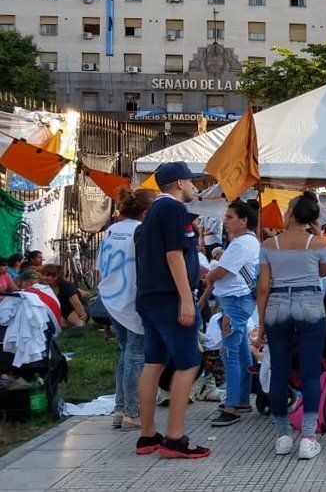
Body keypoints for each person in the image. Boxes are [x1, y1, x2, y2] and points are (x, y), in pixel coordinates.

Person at [133, 161, 209, 458]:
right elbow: (174, 255)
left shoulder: (151, 212)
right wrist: (187, 300)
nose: (194, 187)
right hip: (170, 299)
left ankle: (147, 434)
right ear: (179, 183)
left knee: (154, 363)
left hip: (150, 299)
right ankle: (175, 437)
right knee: (188, 362)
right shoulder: (174, 209)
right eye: (191, 182)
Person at [256, 192, 326, 460]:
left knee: (279, 371)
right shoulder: (319, 242)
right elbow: (323, 272)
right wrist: (317, 234)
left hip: (277, 303)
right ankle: (308, 438)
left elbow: (263, 287)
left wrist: (262, 323)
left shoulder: (268, 244)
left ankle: (282, 436)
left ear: (291, 214)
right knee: (310, 373)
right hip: (309, 302)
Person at [99, 188, 156, 431]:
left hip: (111, 296)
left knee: (125, 353)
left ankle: (120, 409)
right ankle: (133, 412)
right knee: (135, 355)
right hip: (131, 299)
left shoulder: (113, 229)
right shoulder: (140, 231)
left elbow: (99, 264)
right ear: (146, 212)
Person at [205, 200, 261, 427]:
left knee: (229, 353)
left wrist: (208, 274)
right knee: (240, 350)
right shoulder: (246, 242)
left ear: (243, 220)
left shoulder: (242, 244)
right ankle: (243, 399)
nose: (225, 222)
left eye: (229, 217)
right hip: (239, 300)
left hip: (236, 302)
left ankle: (232, 406)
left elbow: (220, 272)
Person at [38, 264, 86, 328]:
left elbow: (76, 303)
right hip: (58, 309)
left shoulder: (66, 286)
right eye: (43, 275)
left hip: (73, 309)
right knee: (59, 325)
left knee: (78, 324)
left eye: (48, 276)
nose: (44, 278)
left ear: (55, 277)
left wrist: (83, 315)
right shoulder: (42, 286)